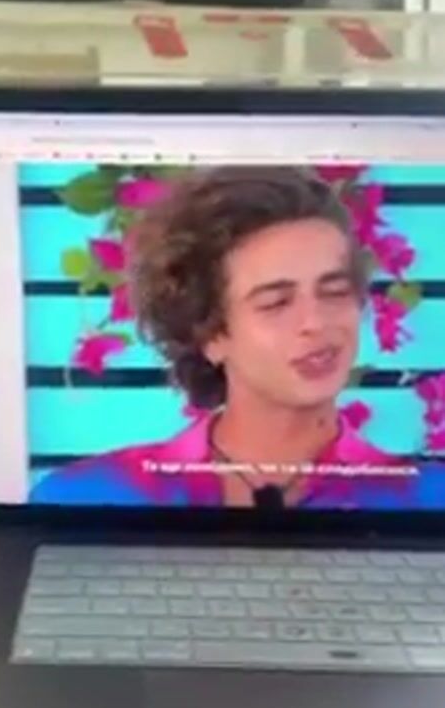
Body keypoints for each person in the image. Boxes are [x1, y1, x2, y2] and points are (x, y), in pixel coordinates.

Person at [31, 166, 443, 508]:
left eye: (334, 292)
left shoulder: (428, 501)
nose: (316, 322)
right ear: (209, 333)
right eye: (276, 303)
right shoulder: (91, 498)